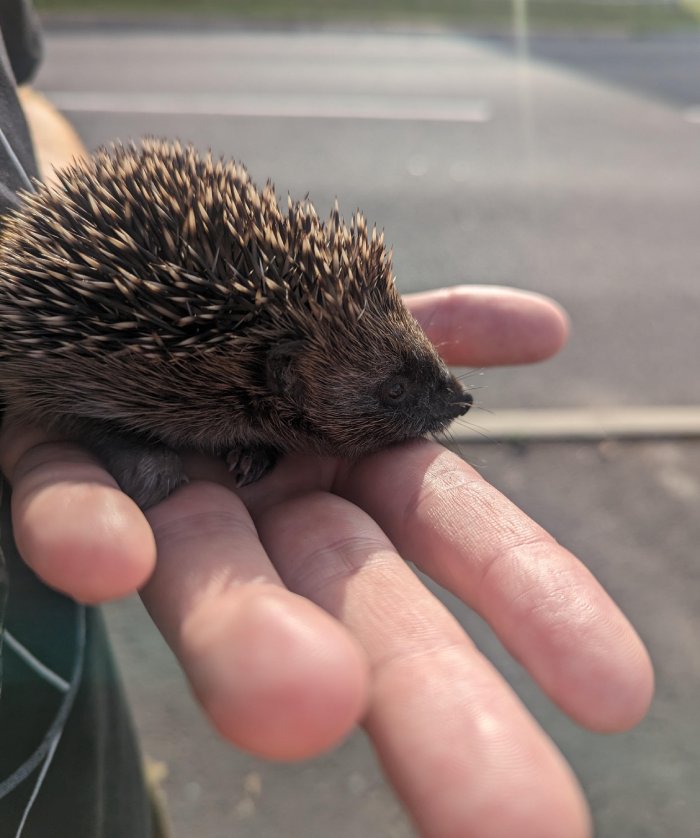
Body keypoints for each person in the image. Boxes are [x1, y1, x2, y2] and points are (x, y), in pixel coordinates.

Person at [0, 3, 653, 837]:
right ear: (274, 380)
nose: (447, 404)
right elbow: (66, 383)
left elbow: (22, 101)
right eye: (394, 391)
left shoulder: (283, 367)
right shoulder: (174, 382)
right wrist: (134, 445)